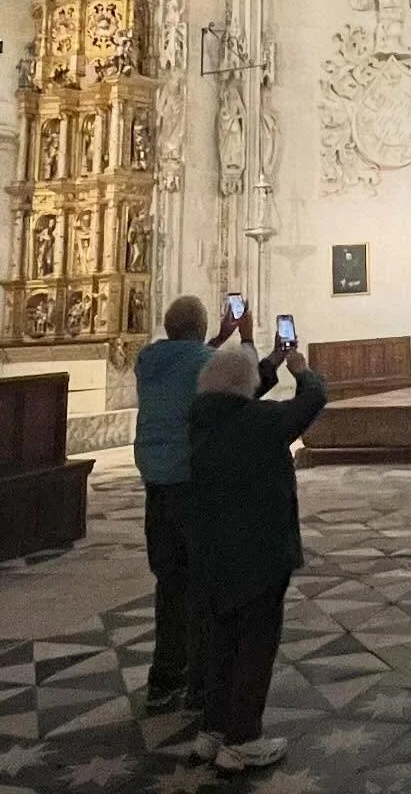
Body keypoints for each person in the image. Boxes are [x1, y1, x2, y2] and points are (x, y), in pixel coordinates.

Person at [184, 340, 327, 773]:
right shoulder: (262, 422)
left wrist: (265, 366)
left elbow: (235, 396)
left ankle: (212, 731)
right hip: (260, 549)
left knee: (221, 638)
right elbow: (313, 400)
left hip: (212, 551)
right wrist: (301, 370)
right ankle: (243, 738)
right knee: (255, 642)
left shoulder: (200, 418)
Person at [131, 296, 275, 719]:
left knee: (170, 583)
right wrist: (246, 337)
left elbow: (189, 360)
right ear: (201, 329)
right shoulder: (207, 364)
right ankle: (202, 685)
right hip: (196, 486)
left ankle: (163, 681)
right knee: (206, 586)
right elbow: (245, 386)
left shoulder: (147, 361)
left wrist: (216, 338)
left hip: (157, 487)